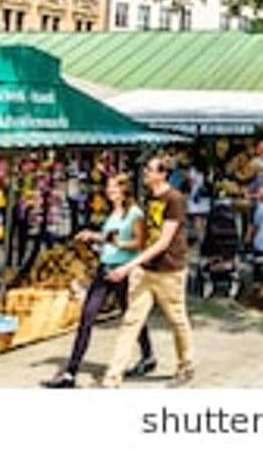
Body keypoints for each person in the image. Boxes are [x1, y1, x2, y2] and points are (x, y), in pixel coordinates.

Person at [42, 173, 154, 388]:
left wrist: (112, 241)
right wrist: (95, 238)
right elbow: (108, 239)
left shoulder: (135, 213)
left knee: (132, 318)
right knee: (87, 318)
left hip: (124, 272)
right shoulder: (112, 213)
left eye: (113, 187)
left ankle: (148, 355)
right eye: (108, 187)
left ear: (124, 190)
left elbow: (140, 243)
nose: (108, 191)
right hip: (105, 271)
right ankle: (70, 374)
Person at [100, 155, 194, 388]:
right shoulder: (150, 197)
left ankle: (186, 365)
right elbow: (145, 236)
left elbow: (163, 242)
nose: (145, 173)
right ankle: (113, 377)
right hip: (146, 270)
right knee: (131, 321)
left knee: (177, 320)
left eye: (149, 170)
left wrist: (127, 266)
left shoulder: (175, 200)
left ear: (162, 174)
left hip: (169, 270)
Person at [186, 162, 211, 244]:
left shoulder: (193, 170)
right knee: (204, 219)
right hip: (205, 196)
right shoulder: (207, 169)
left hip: (195, 196)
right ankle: (205, 238)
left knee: (197, 218)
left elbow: (190, 182)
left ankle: (201, 239)